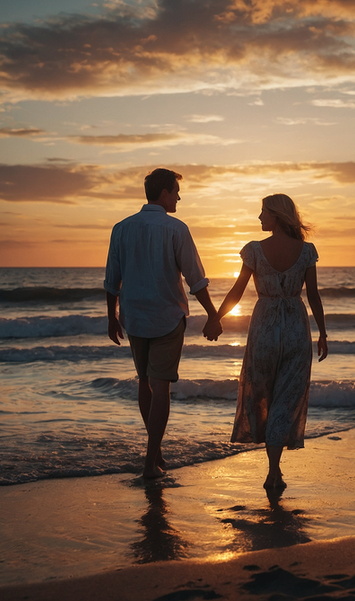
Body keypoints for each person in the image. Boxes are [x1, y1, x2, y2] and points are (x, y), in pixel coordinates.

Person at [104, 168, 222, 479]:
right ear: (165, 193)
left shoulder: (121, 228)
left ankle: (154, 453)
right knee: (161, 387)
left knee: (145, 381)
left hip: (134, 317)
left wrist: (111, 317)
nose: (179, 197)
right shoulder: (176, 229)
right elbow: (195, 279)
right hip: (168, 318)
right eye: (176, 191)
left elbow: (111, 280)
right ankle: (149, 463)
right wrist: (212, 314)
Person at [216, 194, 328, 491]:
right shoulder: (306, 252)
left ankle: (274, 470)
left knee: (262, 395)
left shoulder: (254, 250)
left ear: (277, 215)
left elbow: (237, 291)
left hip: (264, 326)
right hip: (295, 326)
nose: (260, 217)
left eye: (263, 212)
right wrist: (323, 334)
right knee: (287, 397)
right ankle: (274, 471)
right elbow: (314, 296)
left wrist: (217, 317)